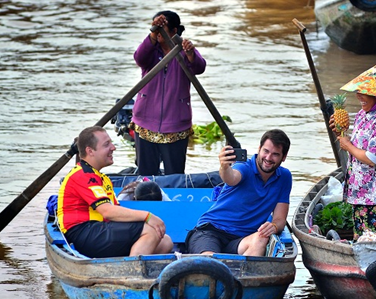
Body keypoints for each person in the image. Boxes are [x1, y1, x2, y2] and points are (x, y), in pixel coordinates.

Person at [57, 126, 173, 258]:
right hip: (82, 233)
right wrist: (147, 216)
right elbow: (107, 211)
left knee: (165, 241)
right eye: (106, 144)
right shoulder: (83, 175)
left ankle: (130, 262)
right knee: (150, 231)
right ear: (90, 151)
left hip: (99, 230)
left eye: (111, 143)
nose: (113, 147)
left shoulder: (102, 178)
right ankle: (131, 273)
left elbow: (115, 214)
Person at [329, 64, 376, 240]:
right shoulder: (362, 115)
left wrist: (348, 145)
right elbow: (356, 146)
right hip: (360, 192)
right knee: (361, 239)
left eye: (365, 93)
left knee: (374, 241)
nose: (359, 96)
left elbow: (373, 158)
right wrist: (340, 134)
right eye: (359, 92)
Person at [186, 129, 292, 256]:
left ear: (284, 157)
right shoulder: (244, 167)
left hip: (241, 240)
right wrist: (224, 167)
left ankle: (248, 274)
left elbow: (280, 219)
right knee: (209, 260)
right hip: (211, 232)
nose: (268, 158)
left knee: (261, 238)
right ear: (259, 149)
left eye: (275, 154)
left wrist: (274, 226)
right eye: (266, 151)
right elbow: (231, 178)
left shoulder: (284, 177)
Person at [132, 10, 207, 176]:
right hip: (145, 120)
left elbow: (199, 67)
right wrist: (152, 34)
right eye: (155, 29)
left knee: (174, 174)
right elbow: (139, 58)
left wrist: (190, 54)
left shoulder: (183, 51)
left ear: (174, 31)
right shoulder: (151, 50)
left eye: (162, 29)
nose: (158, 33)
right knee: (145, 173)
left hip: (176, 122)